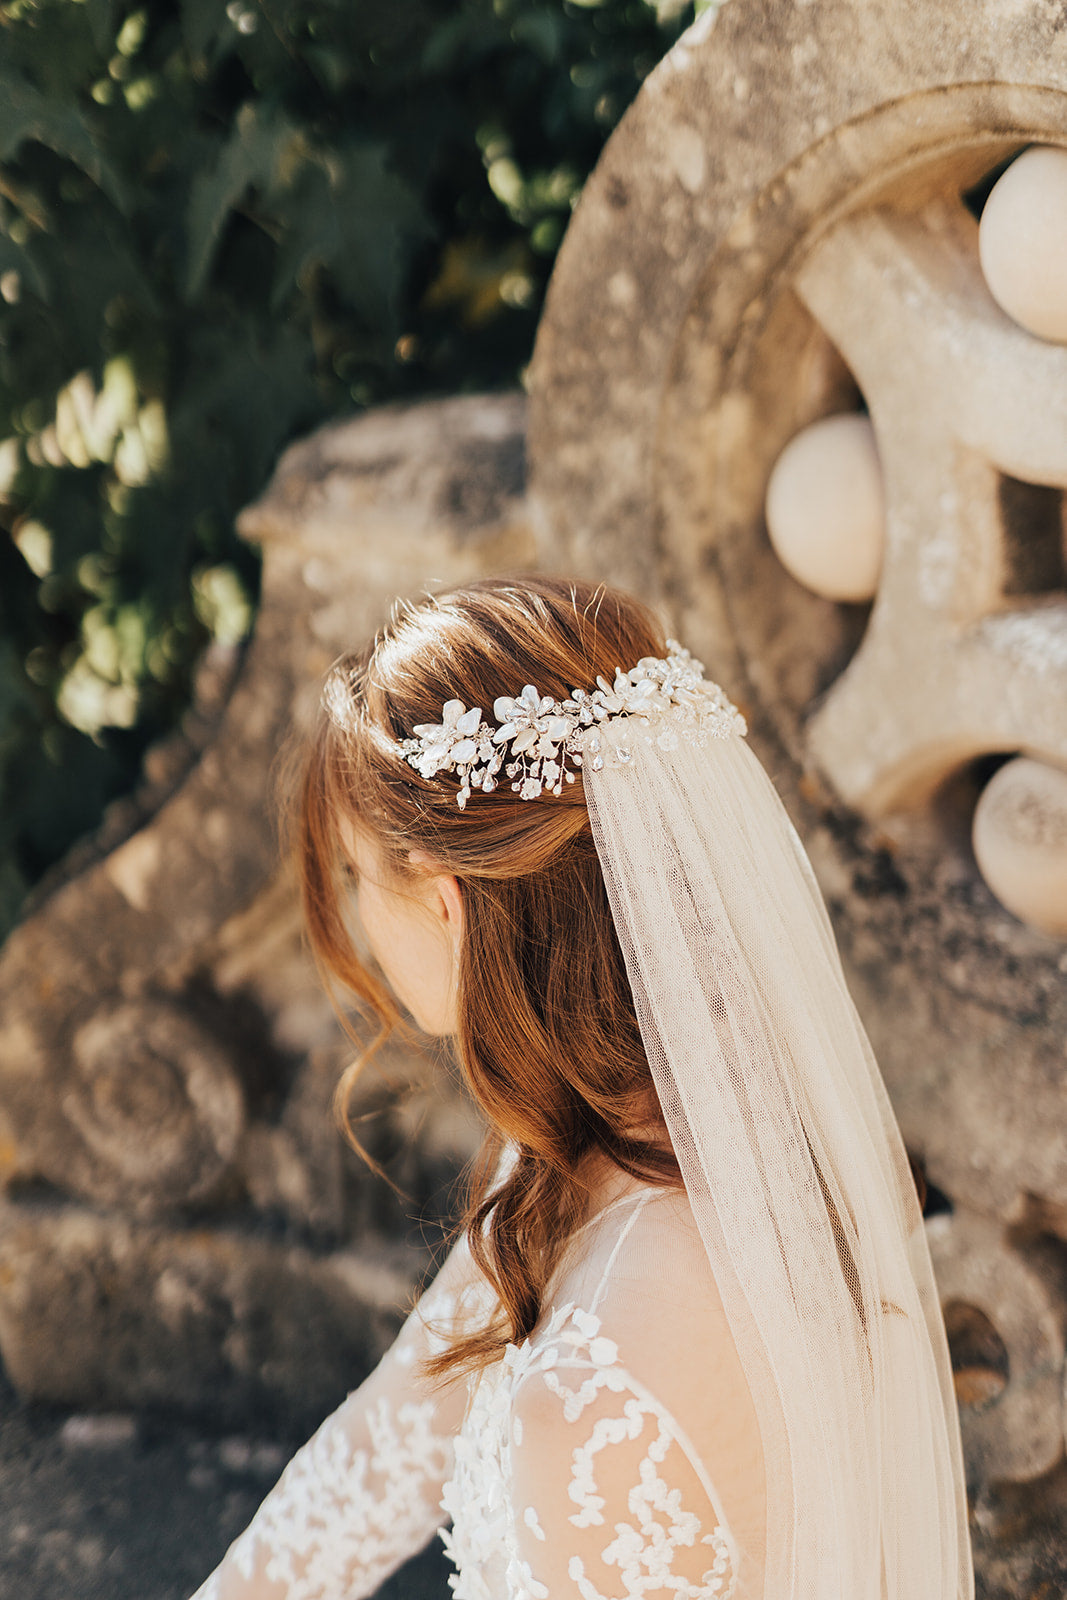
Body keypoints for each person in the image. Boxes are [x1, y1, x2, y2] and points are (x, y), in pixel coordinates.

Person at [190, 575, 974, 1600]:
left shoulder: (591, 1412)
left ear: (442, 898)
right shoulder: (611, 1160)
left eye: (350, 873)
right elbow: (381, 1445)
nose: (350, 922)